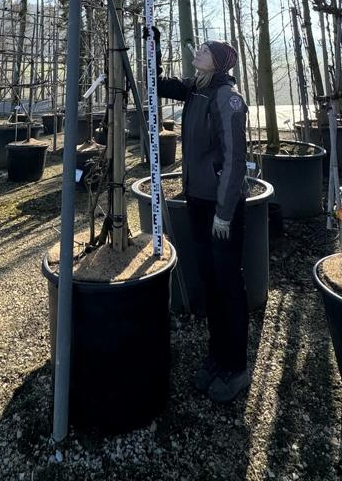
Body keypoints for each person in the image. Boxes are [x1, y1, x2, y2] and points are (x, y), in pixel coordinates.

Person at [151, 29, 250, 403]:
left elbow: (235, 160)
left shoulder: (227, 98)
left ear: (220, 62)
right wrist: (153, 46)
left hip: (221, 208)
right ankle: (216, 356)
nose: (200, 49)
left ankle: (236, 367)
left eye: (208, 49)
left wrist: (224, 213)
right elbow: (156, 83)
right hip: (196, 199)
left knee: (228, 285)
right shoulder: (195, 89)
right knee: (210, 282)